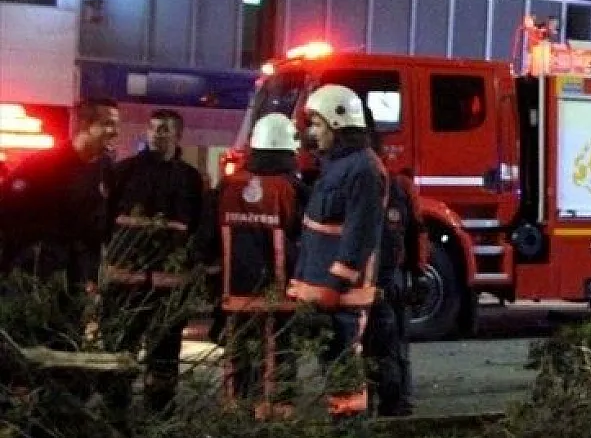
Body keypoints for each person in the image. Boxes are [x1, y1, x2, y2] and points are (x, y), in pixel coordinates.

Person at [286, 85, 387, 420]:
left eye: (317, 123)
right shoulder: (340, 166)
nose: (313, 132)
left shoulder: (364, 170)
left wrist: (336, 282)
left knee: (343, 367)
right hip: (323, 289)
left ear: (337, 122)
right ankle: (341, 428)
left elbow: (360, 234)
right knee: (332, 364)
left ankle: (348, 434)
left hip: (341, 296)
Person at [102, 109, 206, 414]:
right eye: (153, 129)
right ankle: (115, 413)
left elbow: (197, 227)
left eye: (164, 129)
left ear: (178, 135)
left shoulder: (190, 178)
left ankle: (159, 415)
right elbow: (106, 220)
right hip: (125, 281)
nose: (157, 134)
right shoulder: (124, 171)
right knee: (121, 347)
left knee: (164, 357)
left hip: (169, 285)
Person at [210, 113, 307, 420]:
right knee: (278, 357)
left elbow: (205, 240)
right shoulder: (292, 190)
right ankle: (276, 426)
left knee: (238, 357)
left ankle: (236, 418)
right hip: (279, 294)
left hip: (233, 293)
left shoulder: (227, 186)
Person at [0, 98, 120, 288]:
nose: (115, 132)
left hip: (77, 280)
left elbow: (101, 228)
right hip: (34, 278)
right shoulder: (41, 165)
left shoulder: (106, 170)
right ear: (85, 125)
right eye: (108, 124)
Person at [363, 160, 426, 418]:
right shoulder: (399, 187)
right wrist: (418, 274)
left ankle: (392, 401)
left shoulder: (396, 188)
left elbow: (415, 232)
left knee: (385, 341)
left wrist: (418, 274)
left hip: (379, 276)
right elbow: (416, 232)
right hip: (385, 275)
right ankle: (395, 401)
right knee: (391, 342)